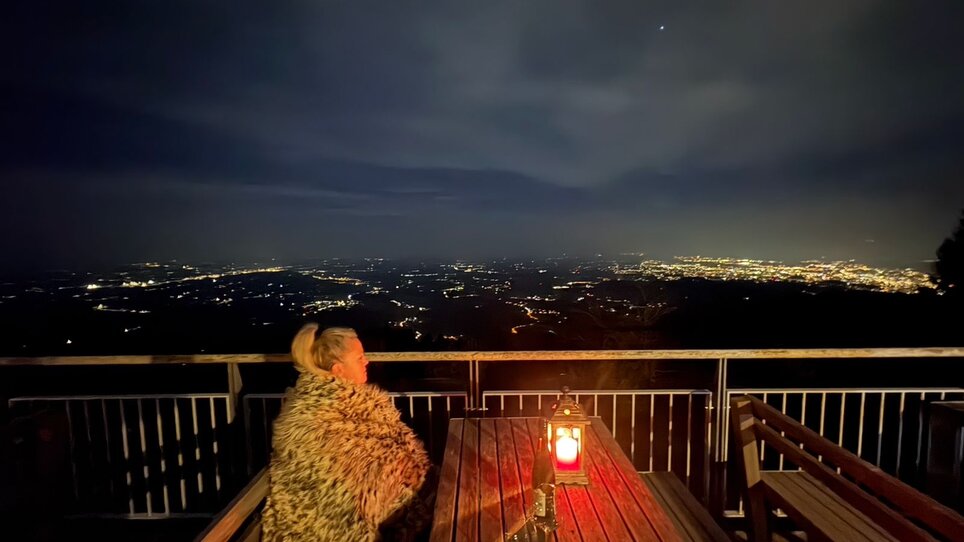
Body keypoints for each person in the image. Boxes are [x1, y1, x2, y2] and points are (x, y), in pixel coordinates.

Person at [261, 324, 433, 541]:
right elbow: (353, 485)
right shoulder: (315, 417)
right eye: (359, 358)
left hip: (383, 508)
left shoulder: (352, 406)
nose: (366, 362)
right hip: (329, 528)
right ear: (338, 369)